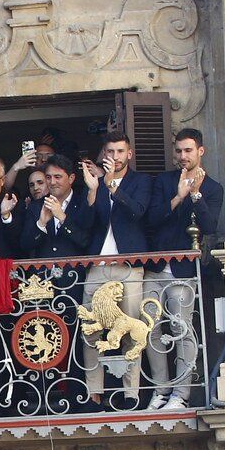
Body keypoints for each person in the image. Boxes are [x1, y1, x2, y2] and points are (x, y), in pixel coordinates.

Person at [142, 128, 225, 410]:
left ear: (200, 151)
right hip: (155, 267)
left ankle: (181, 394)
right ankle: (160, 391)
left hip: (183, 270)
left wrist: (196, 195)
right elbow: (151, 220)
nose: (182, 156)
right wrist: (177, 197)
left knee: (182, 330)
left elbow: (211, 227)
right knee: (150, 330)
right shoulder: (162, 182)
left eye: (188, 150)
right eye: (178, 151)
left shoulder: (213, 187)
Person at [75, 132, 154, 403]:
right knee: (90, 327)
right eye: (110, 152)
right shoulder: (94, 183)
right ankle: (94, 392)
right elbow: (85, 225)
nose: (115, 157)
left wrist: (112, 187)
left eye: (120, 151)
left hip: (128, 266)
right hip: (97, 265)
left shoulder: (141, 181)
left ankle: (131, 393)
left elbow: (138, 212)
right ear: (104, 155)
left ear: (129, 154)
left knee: (132, 328)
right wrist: (94, 189)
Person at [19, 155, 85, 259]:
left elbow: (86, 242)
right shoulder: (36, 206)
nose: (52, 182)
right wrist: (41, 224)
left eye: (57, 177)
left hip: (74, 273)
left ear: (71, 178)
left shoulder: (83, 203)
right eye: (48, 177)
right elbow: (25, 245)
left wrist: (63, 218)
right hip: (42, 274)